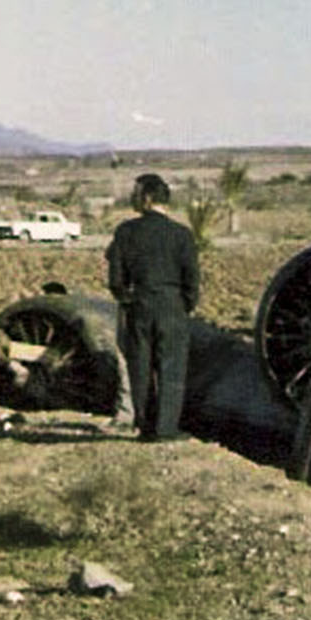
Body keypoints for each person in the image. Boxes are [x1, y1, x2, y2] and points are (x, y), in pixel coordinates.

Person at [106, 173, 200, 443]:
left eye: (136, 194)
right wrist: (185, 305)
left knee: (140, 368)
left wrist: (127, 299)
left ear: (147, 198)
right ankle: (166, 429)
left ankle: (146, 428)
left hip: (139, 305)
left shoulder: (125, 232)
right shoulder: (182, 234)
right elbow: (192, 278)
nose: (132, 198)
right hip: (173, 306)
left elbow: (115, 279)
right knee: (172, 368)